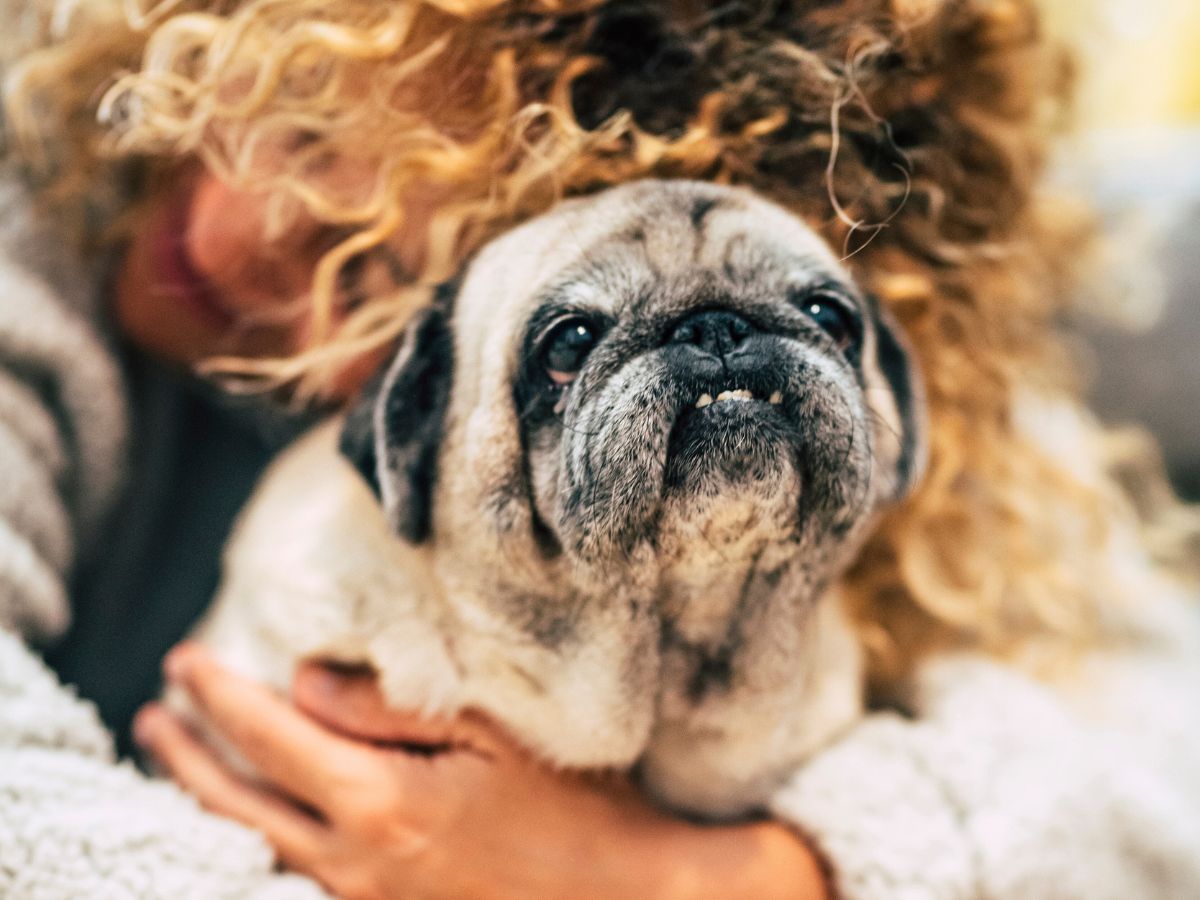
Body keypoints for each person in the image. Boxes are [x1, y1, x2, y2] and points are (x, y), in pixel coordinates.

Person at [1, 1, 1198, 898]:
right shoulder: (31, 212)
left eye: (378, 281)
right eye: (304, 130)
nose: (245, 236)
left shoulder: (845, 379)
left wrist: (698, 880)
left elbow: (1162, 747)